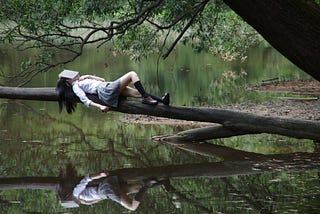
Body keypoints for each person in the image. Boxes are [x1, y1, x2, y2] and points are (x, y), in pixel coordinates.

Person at [56, 69, 170, 114]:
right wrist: (100, 107)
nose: (76, 75)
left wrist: (89, 76)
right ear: (68, 80)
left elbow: (102, 80)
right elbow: (84, 100)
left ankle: (162, 100)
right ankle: (146, 98)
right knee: (132, 74)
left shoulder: (81, 80)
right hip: (105, 90)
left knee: (137, 93)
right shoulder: (76, 86)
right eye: (73, 76)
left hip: (106, 85)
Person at [59, 171, 158, 211]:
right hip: (106, 190)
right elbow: (97, 199)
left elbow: (86, 179)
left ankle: (147, 185)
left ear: (68, 197)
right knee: (137, 188)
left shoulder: (76, 193)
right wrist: (87, 202)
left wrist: (100, 174)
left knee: (132, 207)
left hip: (105, 190)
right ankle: (159, 182)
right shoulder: (81, 199)